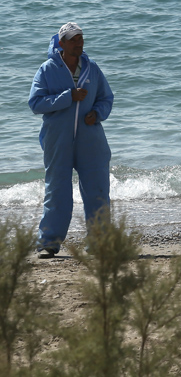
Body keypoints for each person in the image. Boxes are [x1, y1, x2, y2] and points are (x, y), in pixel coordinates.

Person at [29, 22, 114, 258]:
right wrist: (68, 97)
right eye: (74, 39)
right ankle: (49, 243)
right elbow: (35, 103)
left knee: (98, 190)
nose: (79, 43)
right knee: (57, 191)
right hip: (58, 140)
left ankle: (99, 243)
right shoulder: (47, 70)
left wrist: (97, 113)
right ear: (62, 43)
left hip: (91, 140)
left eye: (81, 39)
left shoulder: (92, 68)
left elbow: (106, 98)